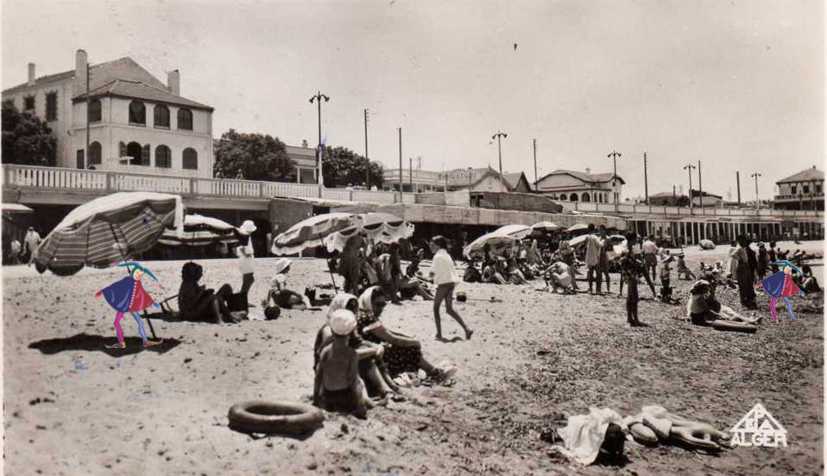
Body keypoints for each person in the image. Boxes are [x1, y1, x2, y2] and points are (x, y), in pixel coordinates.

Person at [357, 286, 454, 381]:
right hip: (373, 354)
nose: (381, 308)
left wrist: (408, 338)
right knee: (410, 348)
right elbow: (392, 338)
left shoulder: (364, 313)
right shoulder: (368, 317)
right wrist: (414, 342)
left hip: (371, 350)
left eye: (383, 304)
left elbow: (387, 331)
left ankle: (432, 371)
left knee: (407, 344)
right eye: (378, 304)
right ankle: (435, 373)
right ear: (369, 302)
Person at [314, 294, 397, 401]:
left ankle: (387, 389)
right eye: (350, 310)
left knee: (367, 354)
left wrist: (376, 347)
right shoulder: (329, 331)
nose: (353, 313)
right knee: (365, 358)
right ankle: (370, 396)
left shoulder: (347, 324)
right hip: (334, 373)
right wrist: (373, 350)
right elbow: (341, 355)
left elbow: (359, 342)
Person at [314, 309, 370, 418]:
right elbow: (353, 381)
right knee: (359, 381)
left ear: (332, 330)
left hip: (328, 396)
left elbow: (318, 376)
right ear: (352, 331)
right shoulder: (351, 354)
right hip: (345, 397)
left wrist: (316, 400)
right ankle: (368, 404)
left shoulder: (326, 350)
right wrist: (360, 405)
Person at [95, 262, 163, 349]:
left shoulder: (138, 283)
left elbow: (143, 293)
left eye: (140, 274)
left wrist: (153, 303)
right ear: (133, 272)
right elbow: (116, 285)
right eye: (137, 273)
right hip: (124, 304)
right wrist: (102, 291)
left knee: (140, 322)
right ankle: (121, 343)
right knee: (116, 322)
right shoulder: (127, 280)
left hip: (132, 306)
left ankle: (145, 341)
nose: (139, 275)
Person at [430, 236, 473, 341]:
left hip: (443, 285)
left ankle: (439, 334)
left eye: (432, 244)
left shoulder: (437, 256)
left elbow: (432, 272)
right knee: (449, 309)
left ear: (438, 245)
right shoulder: (447, 255)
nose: (431, 246)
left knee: (436, 308)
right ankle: (467, 329)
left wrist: (430, 277)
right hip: (451, 284)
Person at [619, 237, 645, 327]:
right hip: (631, 275)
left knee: (631, 297)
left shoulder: (628, 250)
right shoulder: (627, 250)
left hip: (629, 275)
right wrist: (637, 263)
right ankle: (634, 318)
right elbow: (624, 262)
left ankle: (630, 317)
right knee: (633, 297)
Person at [733, 235, 757, 309]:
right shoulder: (739, 248)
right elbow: (733, 254)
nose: (744, 242)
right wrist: (740, 260)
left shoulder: (743, 248)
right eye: (743, 240)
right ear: (740, 241)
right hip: (742, 267)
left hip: (746, 266)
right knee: (743, 284)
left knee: (747, 283)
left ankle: (747, 299)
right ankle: (744, 301)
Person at [236, 220, 257, 303]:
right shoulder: (245, 236)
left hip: (246, 259)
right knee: (248, 279)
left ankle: (243, 298)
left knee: (249, 279)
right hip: (246, 259)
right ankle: (242, 299)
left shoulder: (244, 235)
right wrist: (247, 254)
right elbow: (241, 247)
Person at [584, 225, 603, 294]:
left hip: (589, 258)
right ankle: (598, 290)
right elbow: (600, 245)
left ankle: (590, 289)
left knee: (590, 274)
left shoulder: (587, 237)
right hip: (595, 258)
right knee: (598, 275)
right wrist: (602, 240)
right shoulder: (595, 237)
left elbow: (585, 247)